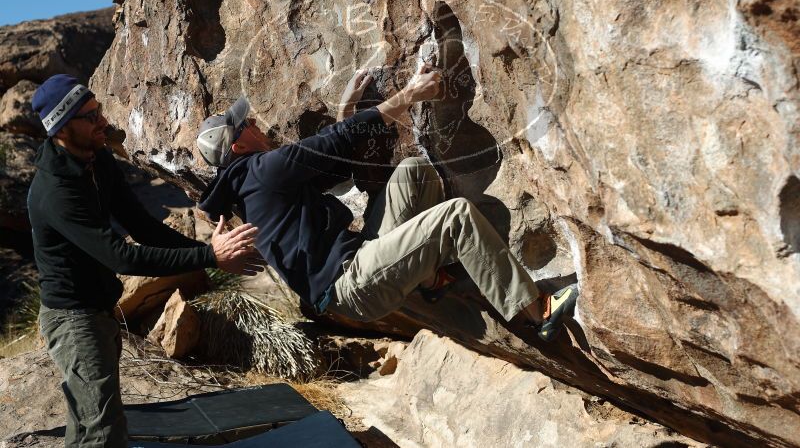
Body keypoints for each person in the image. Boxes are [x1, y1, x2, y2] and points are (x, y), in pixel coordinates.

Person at [196, 65, 578, 342]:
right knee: (455, 217)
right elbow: (338, 141)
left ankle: (431, 277)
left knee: (414, 172)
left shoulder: (248, 191)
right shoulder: (261, 171)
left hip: (357, 265)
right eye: (246, 125)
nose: (256, 124)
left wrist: (346, 109)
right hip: (354, 283)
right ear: (238, 146)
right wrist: (411, 93)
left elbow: (336, 168)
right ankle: (537, 311)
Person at [28, 74, 260, 448]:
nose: (102, 121)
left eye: (98, 110)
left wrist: (206, 257)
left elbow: (142, 226)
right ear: (61, 129)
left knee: (91, 421)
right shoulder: (55, 191)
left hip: (98, 310)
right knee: (103, 430)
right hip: (73, 320)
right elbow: (119, 255)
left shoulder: (96, 159)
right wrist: (210, 255)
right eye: (89, 117)